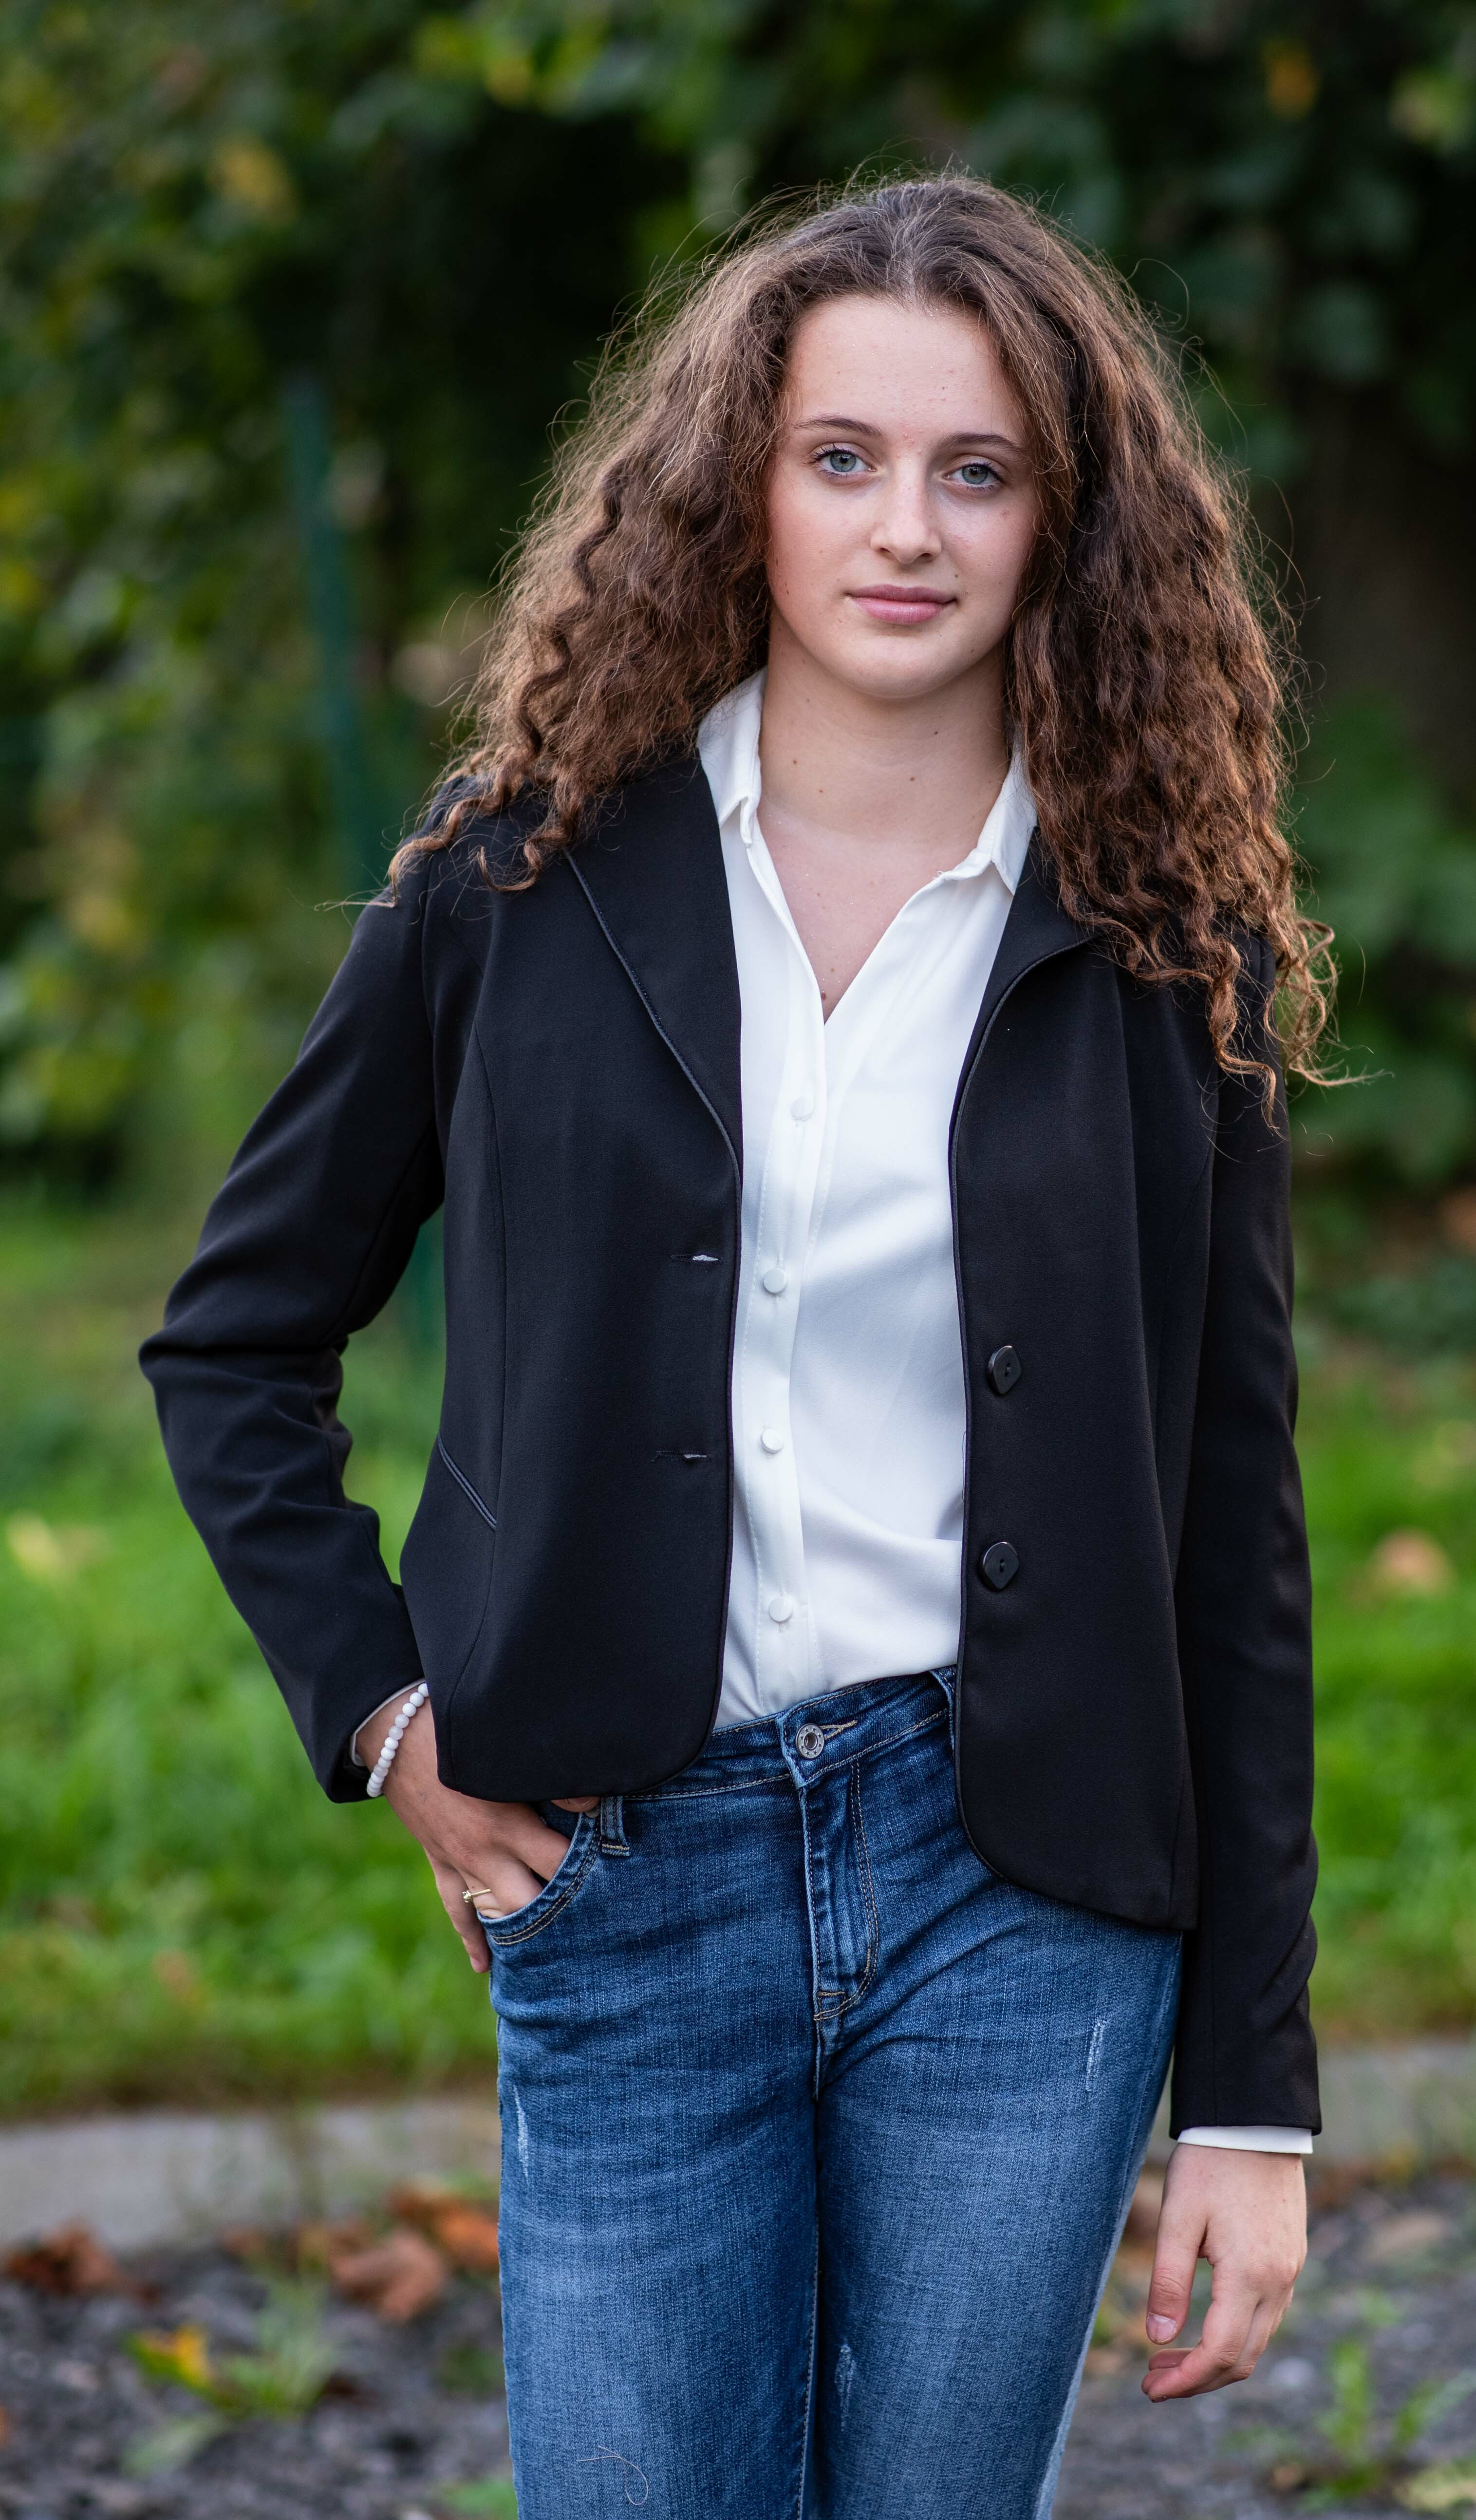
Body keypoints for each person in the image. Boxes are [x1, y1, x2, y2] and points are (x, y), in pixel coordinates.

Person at [142, 174, 1329, 2520]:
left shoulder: (1160, 946)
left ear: (1066, 523)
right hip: (622, 1864)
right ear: (738, 487)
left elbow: (1236, 1528)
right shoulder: (517, 875)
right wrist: (382, 1716)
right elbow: (237, 1338)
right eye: (842, 457)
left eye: (978, 471)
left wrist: (1252, 2098)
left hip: (1024, 1900)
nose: (907, 529)